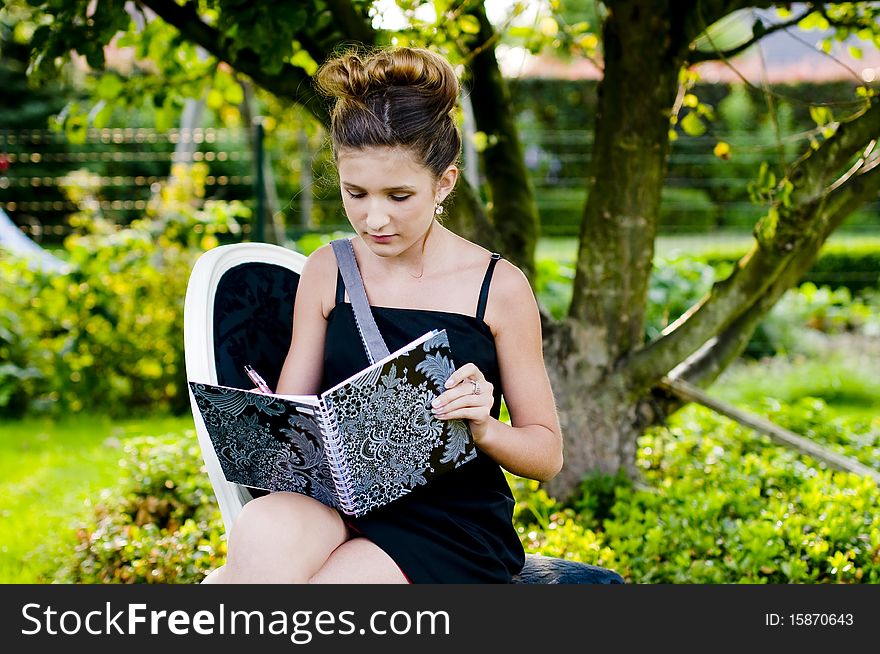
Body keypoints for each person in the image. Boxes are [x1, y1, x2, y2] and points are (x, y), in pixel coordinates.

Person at [203, 46, 563, 584]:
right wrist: (268, 428)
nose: (374, 218)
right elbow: (290, 421)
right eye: (356, 193)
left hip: (447, 524)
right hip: (338, 501)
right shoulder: (327, 270)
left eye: (399, 196)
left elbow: (547, 453)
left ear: (444, 182)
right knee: (262, 530)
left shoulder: (499, 287)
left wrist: (484, 429)